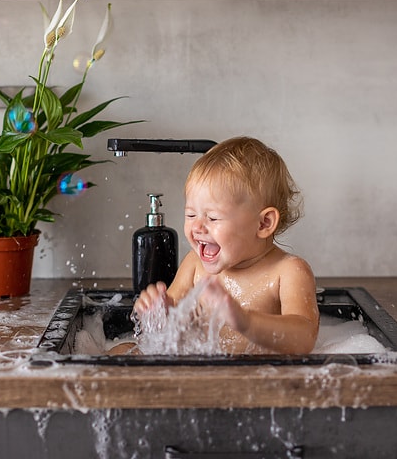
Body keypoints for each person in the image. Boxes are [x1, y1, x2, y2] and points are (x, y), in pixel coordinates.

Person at [133, 136, 319, 355]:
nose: (197, 226)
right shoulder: (195, 265)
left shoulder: (287, 272)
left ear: (263, 223)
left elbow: (304, 339)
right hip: (201, 373)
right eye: (191, 214)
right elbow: (170, 327)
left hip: (259, 380)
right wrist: (158, 311)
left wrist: (246, 322)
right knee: (123, 351)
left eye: (213, 218)